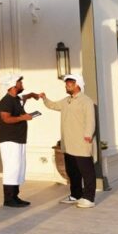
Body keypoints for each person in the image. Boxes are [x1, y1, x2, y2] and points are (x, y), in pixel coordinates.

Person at [40, 74, 97, 208]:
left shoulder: (86, 101)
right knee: (72, 171)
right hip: (68, 143)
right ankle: (75, 195)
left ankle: (89, 198)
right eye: (66, 83)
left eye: (69, 83)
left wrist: (88, 134)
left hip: (82, 142)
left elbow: (90, 120)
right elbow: (53, 105)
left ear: (77, 84)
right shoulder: (66, 101)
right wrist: (44, 98)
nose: (66, 85)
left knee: (86, 171)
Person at [0, 74, 39, 208]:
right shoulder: (6, 101)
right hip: (10, 140)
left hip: (19, 139)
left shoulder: (16, 99)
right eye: (19, 82)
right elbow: (6, 119)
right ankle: (8, 199)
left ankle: (15, 196)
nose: (22, 84)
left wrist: (33, 94)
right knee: (11, 168)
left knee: (18, 168)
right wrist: (23, 118)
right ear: (12, 85)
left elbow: (24, 97)